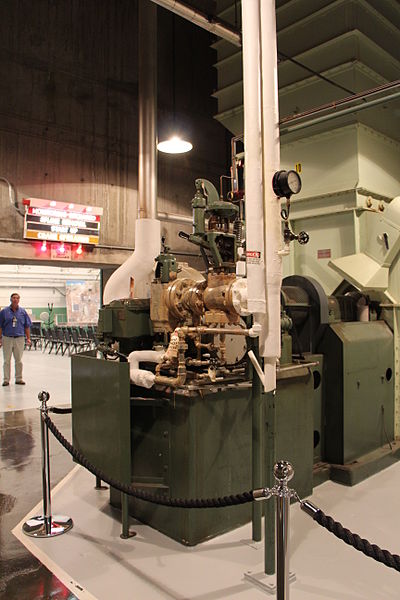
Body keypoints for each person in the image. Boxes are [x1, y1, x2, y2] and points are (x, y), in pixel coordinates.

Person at [0, 293, 32, 386]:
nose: (15, 299)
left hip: (19, 338)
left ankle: (19, 378)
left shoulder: (22, 312)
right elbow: (0, 326)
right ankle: (6, 380)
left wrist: (28, 338)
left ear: (19, 300)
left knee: (18, 360)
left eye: (17, 298)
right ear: (10, 299)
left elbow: (27, 326)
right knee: (7, 360)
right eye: (13, 298)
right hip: (7, 338)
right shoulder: (4, 312)